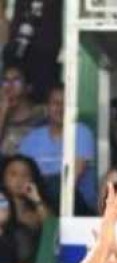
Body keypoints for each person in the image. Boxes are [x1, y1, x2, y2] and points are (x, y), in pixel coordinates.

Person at [18, 84, 93, 214]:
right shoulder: (32, 138)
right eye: (55, 103)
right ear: (47, 107)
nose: (60, 108)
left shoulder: (81, 132)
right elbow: (22, 173)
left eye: (65, 103)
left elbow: (71, 179)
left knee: (57, 185)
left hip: (76, 206)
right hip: (37, 201)